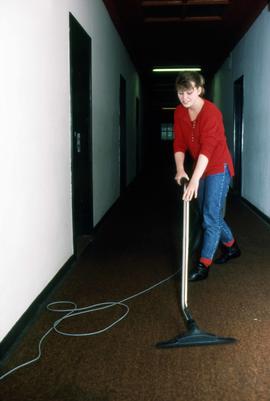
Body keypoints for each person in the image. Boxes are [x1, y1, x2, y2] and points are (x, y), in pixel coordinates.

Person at [173, 71, 241, 281]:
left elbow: (208, 149)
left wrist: (194, 179)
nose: (184, 97)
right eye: (180, 93)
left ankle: (204, 266)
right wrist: (181, 169)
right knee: (207, 214)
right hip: (200, 167)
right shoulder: (179, 112)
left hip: (218, 166)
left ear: (200, 89)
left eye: (189, 92)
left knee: (210, 217)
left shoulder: (211, 113)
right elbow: (179, 143)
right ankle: (231, 247)